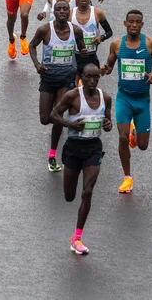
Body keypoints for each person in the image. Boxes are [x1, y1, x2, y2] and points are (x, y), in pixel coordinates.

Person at [101, 9, 152, 193]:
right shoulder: (116, 45)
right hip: (124, 98)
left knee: (143, 146)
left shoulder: (150, 43)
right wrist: (103, 69)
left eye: (138, 22)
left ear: (142, 24)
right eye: (131, 21)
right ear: (125, 23)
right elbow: (109, 66)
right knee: (121, 137)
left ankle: (133, 131)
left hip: (142, 101)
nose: (134, 25)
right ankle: (127, 178)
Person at [50, 63, 113, 255]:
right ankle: (76, 233)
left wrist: (108, 125)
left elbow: (108, 123)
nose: (93, 81)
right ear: (82, 78)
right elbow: (53, 114)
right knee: (69, 196)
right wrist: (70, 123)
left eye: (96, 78)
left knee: (87, 191)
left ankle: (77, 237)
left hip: (93, 148)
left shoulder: (106, 98)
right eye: (89, 77)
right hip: (73, 148)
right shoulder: (72, 96)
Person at [29, 1, 87, 172]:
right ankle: (68, 124)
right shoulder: (45, 30)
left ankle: (52, 155)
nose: (62, 12)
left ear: (69, 12)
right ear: (54, 12)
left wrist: (82, 53)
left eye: (65, 9)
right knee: (45, 118)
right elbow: (32, 45)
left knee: (58, 115)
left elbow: (81, 48)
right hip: (48, 78)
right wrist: (36, 63)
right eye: (58, 9)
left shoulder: (75, 30)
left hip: (67, 78)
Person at [70, 0, 112, 84]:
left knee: (90, 88)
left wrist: (101, 37)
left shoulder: (98, 13)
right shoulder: (70, 14)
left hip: (91, 57)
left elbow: (109, 32)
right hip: (74, 58)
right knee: (72, 90)